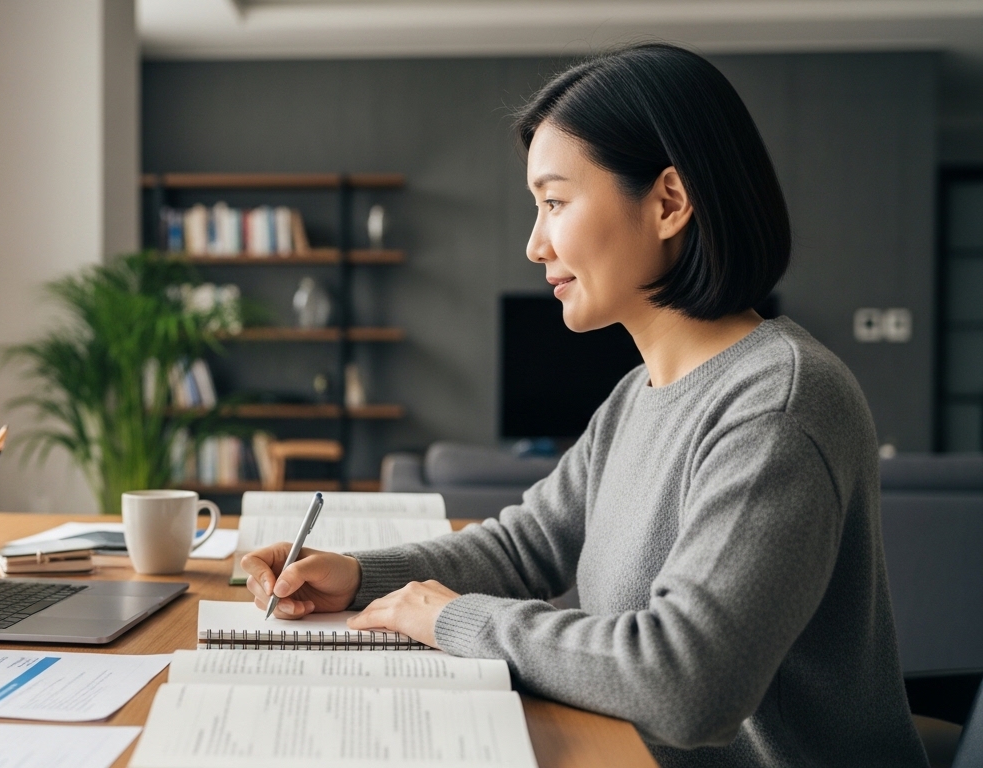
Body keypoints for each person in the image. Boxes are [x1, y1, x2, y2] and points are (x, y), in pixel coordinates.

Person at [241, 43, 926, 767]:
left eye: (555, 202)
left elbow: (687, 683)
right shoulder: (639, 395)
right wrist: (357, 573)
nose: (536, 244)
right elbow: (523, 546)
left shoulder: (779, 406)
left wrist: (450, 618)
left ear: (669, 201)